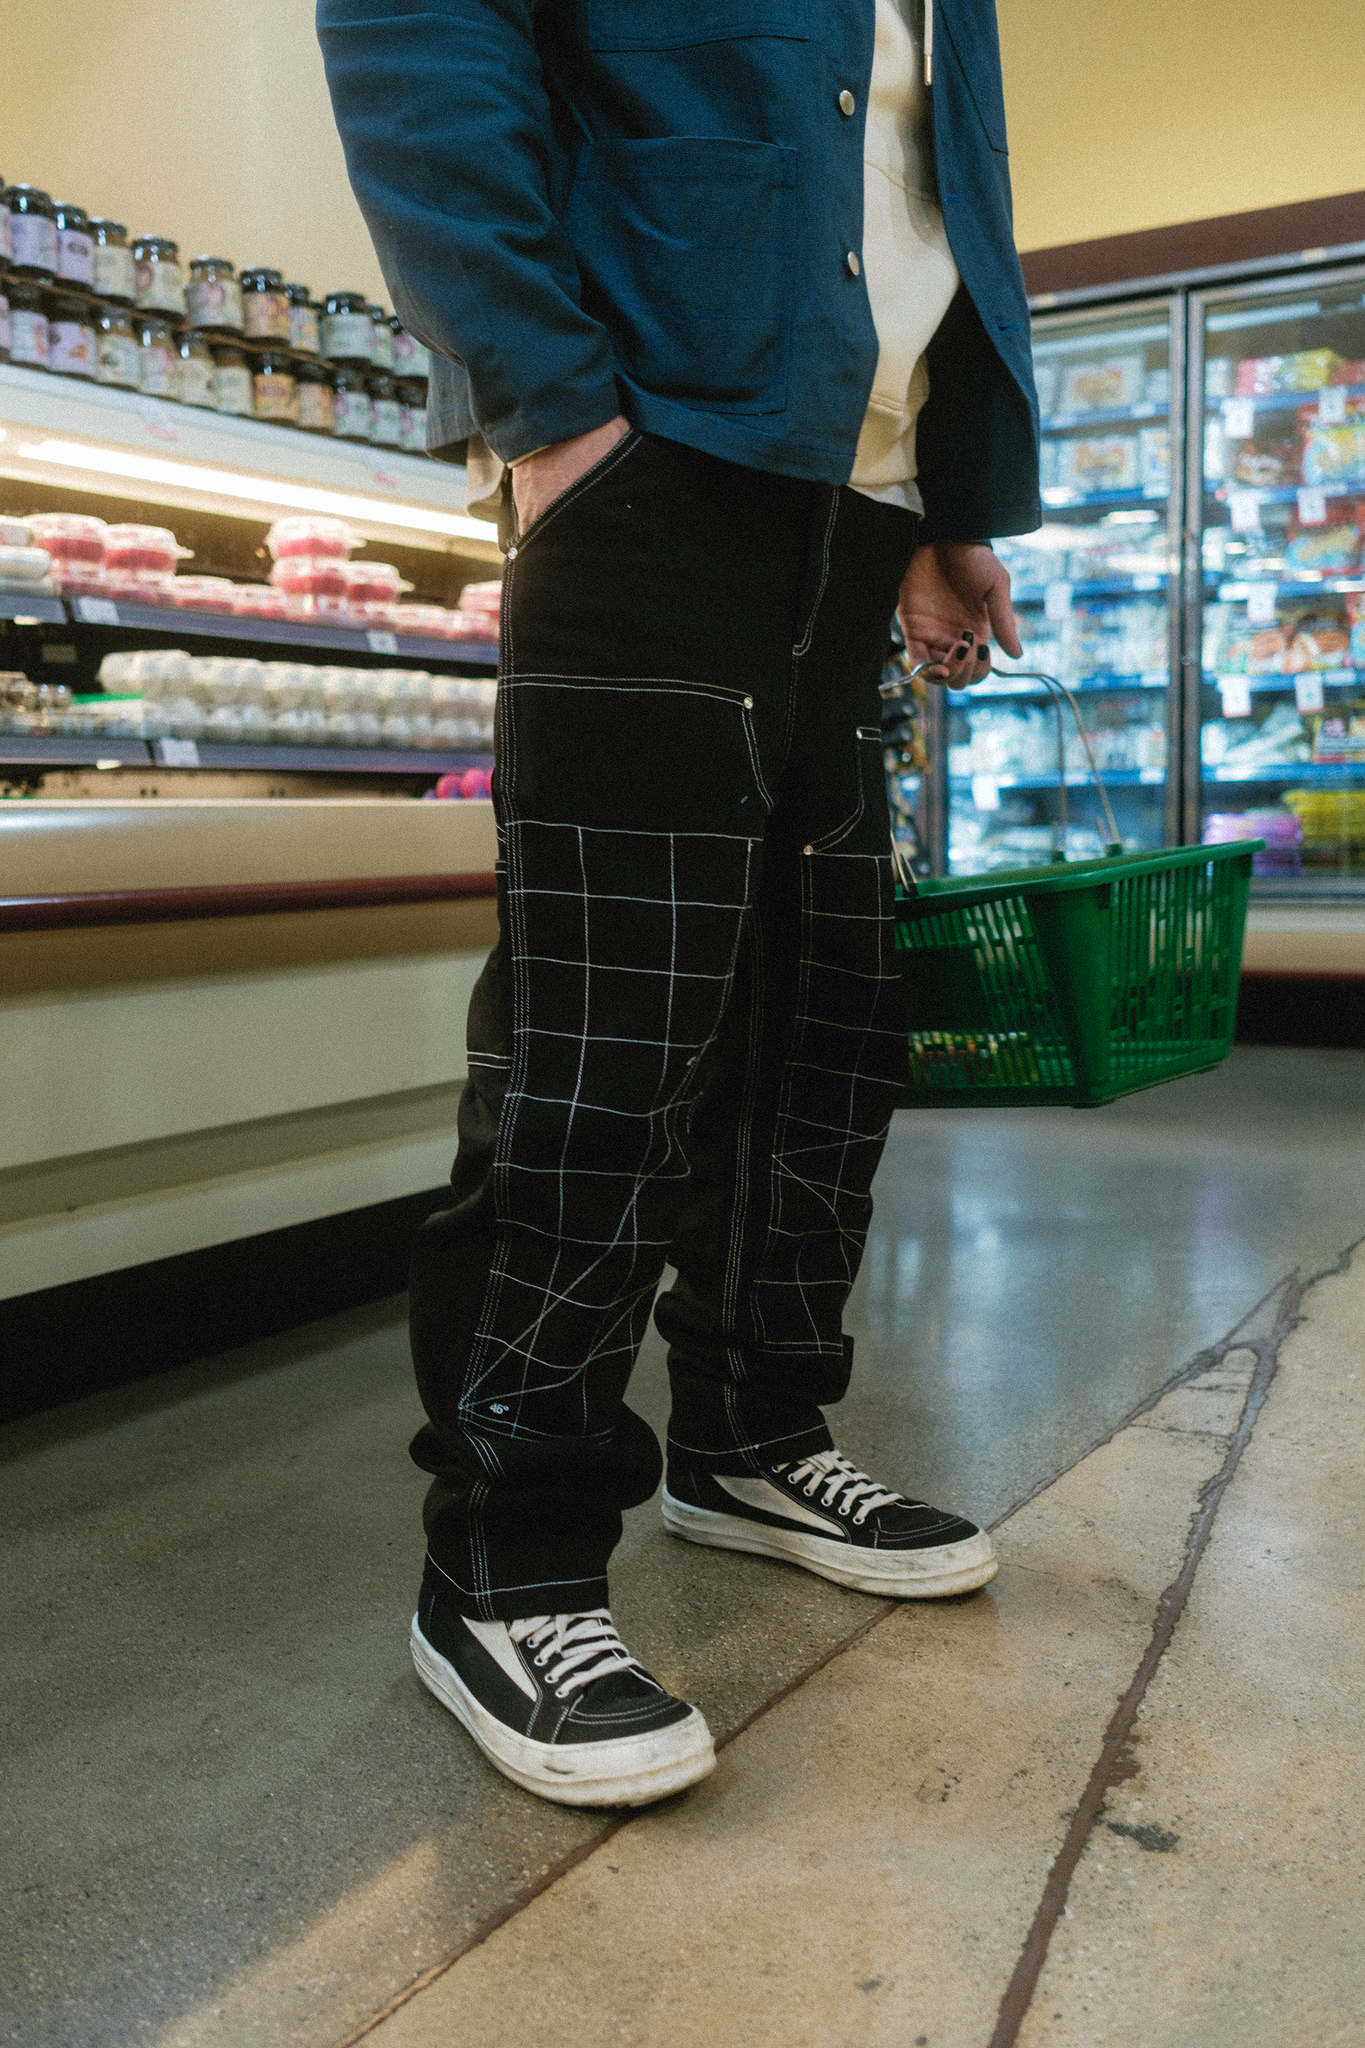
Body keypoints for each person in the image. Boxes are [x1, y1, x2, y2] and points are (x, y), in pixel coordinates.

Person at [318, 0, 1039, 1809]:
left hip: (852, 498)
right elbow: (418, 30)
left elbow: (928, 164)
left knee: (825, 1026)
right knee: (606, 1046)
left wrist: (948, 493)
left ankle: (750, 1431)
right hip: (650, 465)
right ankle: (509, 1553)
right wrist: (548, 410)